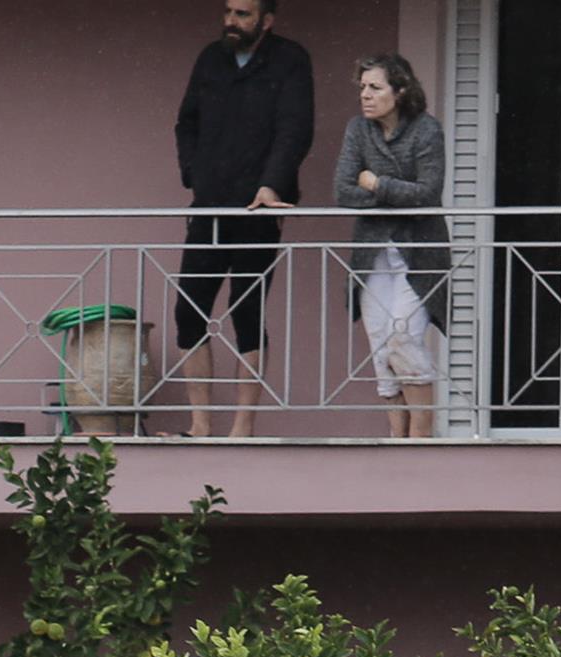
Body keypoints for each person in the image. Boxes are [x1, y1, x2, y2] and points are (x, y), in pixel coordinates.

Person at [170, 0, 313, 438]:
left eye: (243, 14)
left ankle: (242, 427)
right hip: (210, 205)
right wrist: (195, 174)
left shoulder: (290, 59)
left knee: (246, 311)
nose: (231, 21)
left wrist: (271, 186)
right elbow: (186, 122)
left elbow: (295, 128)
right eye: (229, 11)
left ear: (266, 21)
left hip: (259, 208)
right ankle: (199, 425)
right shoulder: (211, 59)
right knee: (188, 310)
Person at [333, 53, 446, 438]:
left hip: (421, 252)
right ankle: (397, 440)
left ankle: (421, 439)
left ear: (400, 91)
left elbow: (429, 194)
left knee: (403, 335)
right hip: (372, 253)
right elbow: (343, 191)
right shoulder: (357, 130)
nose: (365, 95)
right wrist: (396, 196)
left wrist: (377, 184)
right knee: (382, 347)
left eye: (375, 87)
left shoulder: (426, 129)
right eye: (362, 87)